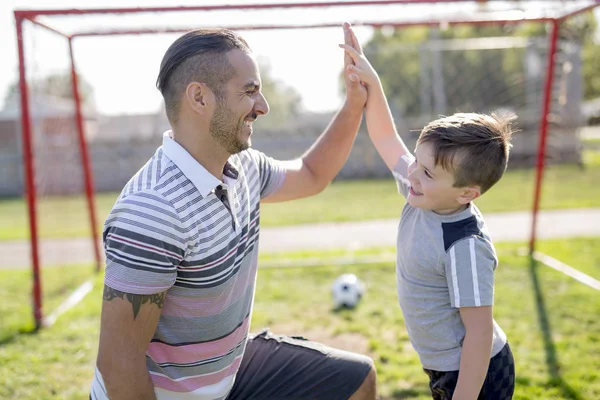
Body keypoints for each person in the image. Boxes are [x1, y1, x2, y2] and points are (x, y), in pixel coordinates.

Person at [90, 24, 378, 400]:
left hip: (229, 375)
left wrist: (354, 102)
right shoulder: (151, 213)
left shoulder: (244, 168)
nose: (263, 106)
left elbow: (311, 174)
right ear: (199, 97)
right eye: (249, 91)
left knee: (356, 379)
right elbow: (119, 367)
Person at [339, 25, 516, 400]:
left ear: (467, 194)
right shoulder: (424, 190)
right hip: (444, 366)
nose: (412, 174)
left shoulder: (464, 246)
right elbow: (386, 137)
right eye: (416, 163)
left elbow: (479, 333)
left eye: (427, 172)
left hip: (474, 375)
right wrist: (372, 80)